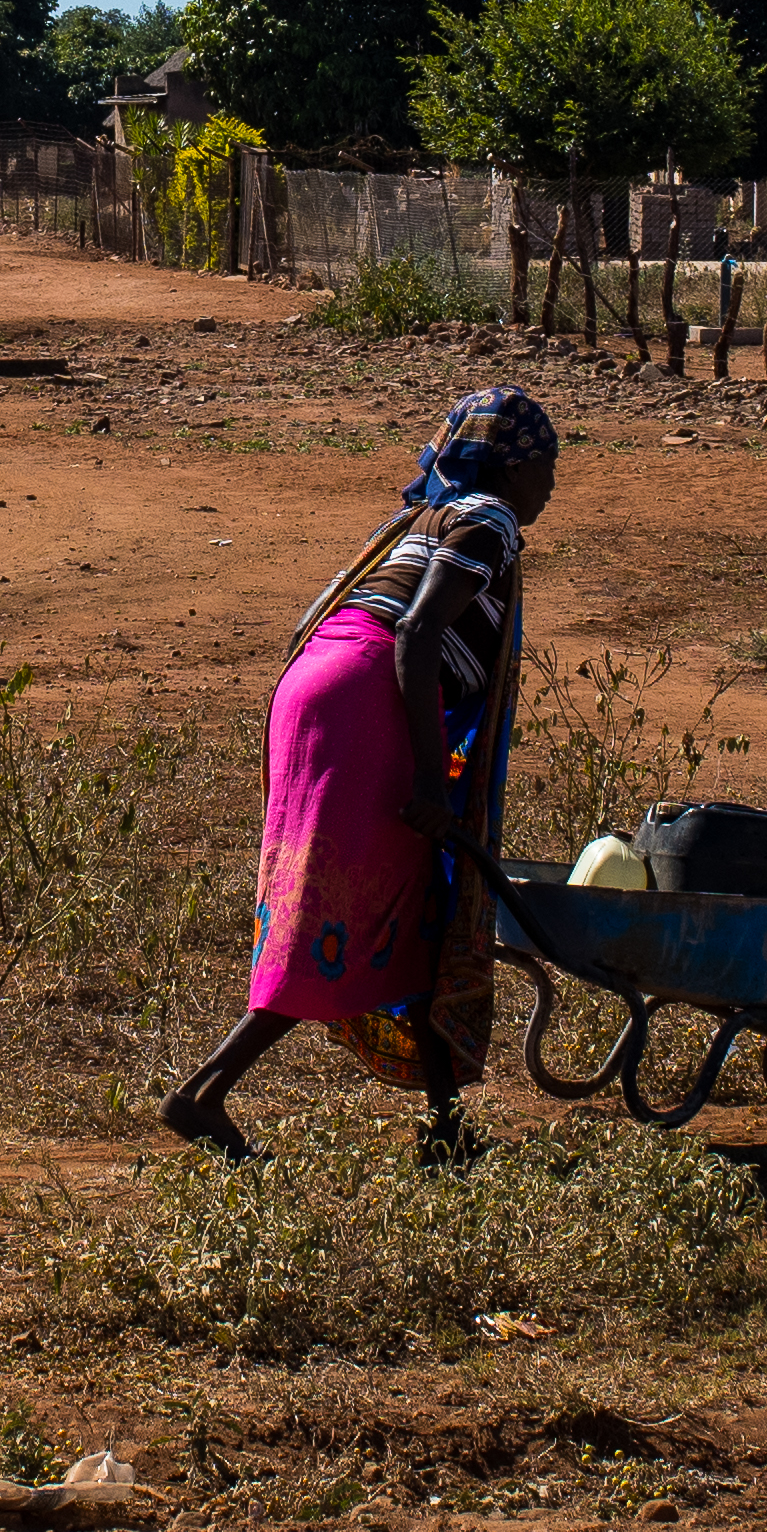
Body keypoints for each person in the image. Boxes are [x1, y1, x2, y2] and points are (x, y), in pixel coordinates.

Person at [164, 387, 556, 1166]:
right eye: (546, 466)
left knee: (418, 904)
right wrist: (430, 782)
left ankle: (446, 1126)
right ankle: (203, 1093)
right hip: (368, 696)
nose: (550, 485)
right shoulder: (488, 520)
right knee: (340, 911)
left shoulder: (413, 520)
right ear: (513, 468)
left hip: (315, 687)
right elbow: (415, 634)